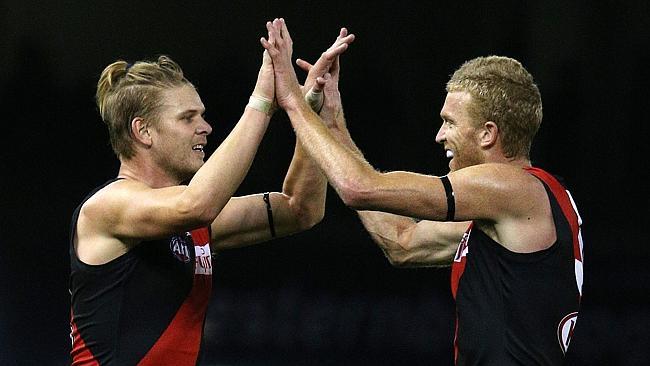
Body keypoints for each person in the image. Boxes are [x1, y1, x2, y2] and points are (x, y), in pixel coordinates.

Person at [262, 18, 584, 365]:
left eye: (450, 122)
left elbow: (359, 188)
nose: (439, 135)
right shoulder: (516, 213)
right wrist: (331, 121)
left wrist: (292, 100)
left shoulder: (512, 188)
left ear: (488, 134)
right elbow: (401, 241)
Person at [68, 22, 355, 365]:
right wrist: (263, 100)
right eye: (188, 118)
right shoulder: (105, 208)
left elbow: (300, 209)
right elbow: (197, 204)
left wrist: (310, 115)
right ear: (143, 131)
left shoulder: (190, 220)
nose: (206, 127)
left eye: (201, 115)